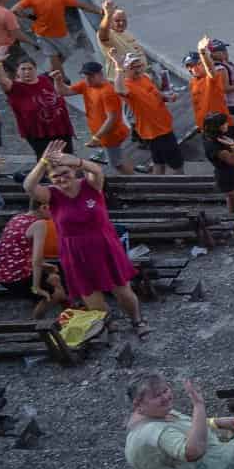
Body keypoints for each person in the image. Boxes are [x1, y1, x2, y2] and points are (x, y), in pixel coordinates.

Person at [23, 142, 146, 333]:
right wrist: (43, 162)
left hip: (105, 246)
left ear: (74, 171)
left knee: (123, 291)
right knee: (92, 297)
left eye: (65, 172)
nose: (62, 178)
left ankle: (137, 320)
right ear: (50, 179)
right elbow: (29, 186)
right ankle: (108, 325)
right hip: (75, 252)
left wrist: (78, 161)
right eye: (55, 176)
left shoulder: (90, 185)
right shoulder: (51, 195)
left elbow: (96, 170)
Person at [122, 373, 234, 469]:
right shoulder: (152, 431)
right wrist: (198, 405)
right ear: (138, 404)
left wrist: (215, 423)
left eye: (165, 390)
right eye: (157, 396)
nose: (165, 397)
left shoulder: (156, 412)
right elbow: (193, 452)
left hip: (213, 459)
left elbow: (189, 426)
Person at [116, 54, 185, 174]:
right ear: (125, 70)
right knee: (177, 163)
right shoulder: (127, 85)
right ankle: (183, 183)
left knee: (158, 161)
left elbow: (156, 93)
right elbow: (119, 90)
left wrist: (167, 98)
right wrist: (118, 66)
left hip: (163, 126)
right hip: (156, 131)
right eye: (133, 67)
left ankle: (159, 183)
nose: (138, 70)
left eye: (139, 66)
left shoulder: (144, 78)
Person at [0, 56, 76, 158]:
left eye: (30, 68)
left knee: (68, 157)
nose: (27, 72)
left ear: (35, 69)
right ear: (17, 71)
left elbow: (60, 93)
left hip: (60, 128)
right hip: (39, 133)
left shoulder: (45, 79)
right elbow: (1, 81)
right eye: (23, 69)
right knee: (47, 160)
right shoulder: (14, 87)